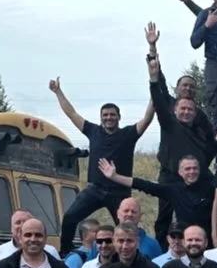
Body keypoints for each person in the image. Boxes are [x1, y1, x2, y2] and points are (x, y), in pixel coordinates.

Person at [49, 41, 156, 234]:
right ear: (101, 118)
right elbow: (71, 113)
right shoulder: (92, 131)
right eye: (105, 115)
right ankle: (65, 253)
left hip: (119, 191)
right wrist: (58, 92)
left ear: (119, 117)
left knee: (126, 228)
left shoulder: (128, 134)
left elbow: (147, 118)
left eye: (112, 115)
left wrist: (156, 90)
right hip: (95, 189)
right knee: (70, 217)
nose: (108, 118)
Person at [102, 155, 212, 253]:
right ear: (180, 172)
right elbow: (145, 185)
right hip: (186, 243)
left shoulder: (210, 188)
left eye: (194, 168)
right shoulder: (174, 190)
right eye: (187, 169)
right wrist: (115, 177)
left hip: (209, 243)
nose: (191, 171)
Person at [146, 43, 216, 183]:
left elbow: (211, 139)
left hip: (192, 170)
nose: (188, 88)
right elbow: (159, 80)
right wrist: (152, 47)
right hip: (169, 168)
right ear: (177, 88)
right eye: (185, 85)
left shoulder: (200, 115)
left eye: (192, 87)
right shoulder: (168, 104)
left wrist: (204, 161)